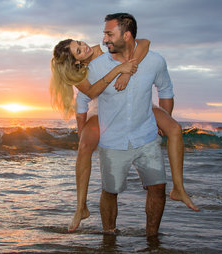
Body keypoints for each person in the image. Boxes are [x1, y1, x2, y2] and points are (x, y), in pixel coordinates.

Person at [50, 16, 198, 233]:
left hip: (139, 117)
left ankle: (163, 217)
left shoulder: (108, 49)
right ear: (77, 62)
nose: (85, 47)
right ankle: (88, 214)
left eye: (80, 44)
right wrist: (82, 130)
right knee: (90, 157)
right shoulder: (85, 72)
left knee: (172, 134)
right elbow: (85, 99)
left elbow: (144, 43)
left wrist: (129, 69)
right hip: (106, 119)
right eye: (79, 51)